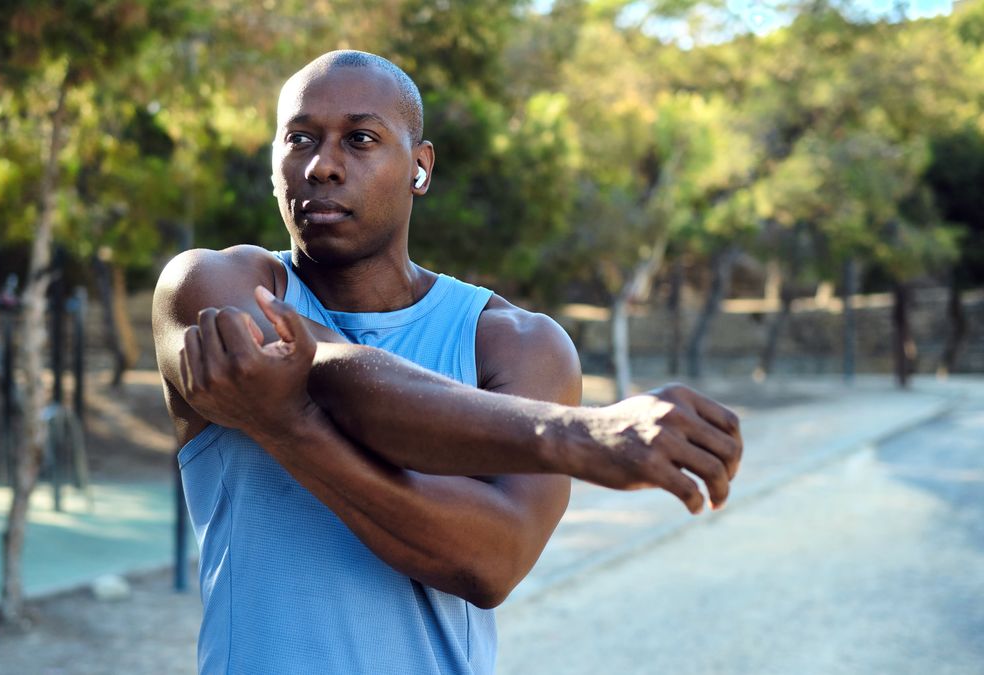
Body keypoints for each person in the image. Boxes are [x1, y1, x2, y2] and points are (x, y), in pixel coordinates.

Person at [152, 49, 743, 674]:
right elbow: (326, 366)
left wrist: (287, 425)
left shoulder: (516, 344)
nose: (322, 166)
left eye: (360, 139)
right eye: (300, 139)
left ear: (420, 167)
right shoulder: (208, 286)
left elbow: (489, 564)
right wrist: (578, 435)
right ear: (275, 165)